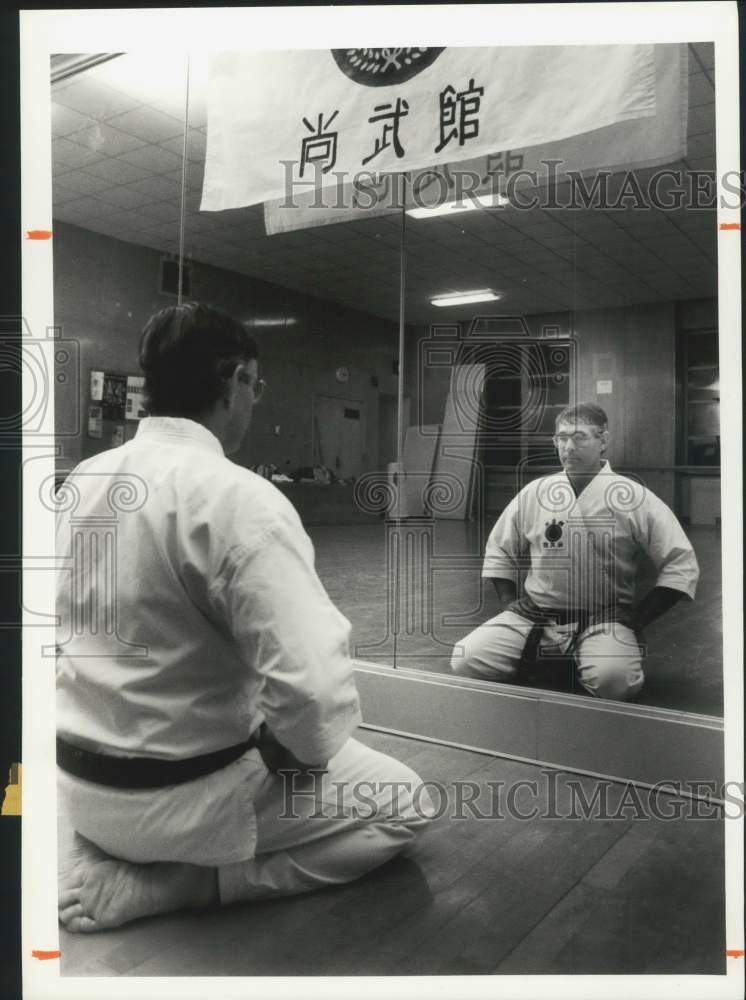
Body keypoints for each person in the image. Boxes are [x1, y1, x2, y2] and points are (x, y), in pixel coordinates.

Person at [56, 302, 432, 933]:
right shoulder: (240, 498)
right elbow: (312, 697)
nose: (253, 401)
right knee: (406, 802)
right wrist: (296, 749)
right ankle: (196, 884)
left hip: (80, 793)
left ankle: (123, 848)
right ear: (234, 382)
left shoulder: (79, 482)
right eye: (254, 387)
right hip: (181, 805)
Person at [451, 402, 699, 700]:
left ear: (603, 441)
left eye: (579, 437)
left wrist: (639, 619)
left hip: (604, 619)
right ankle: (566, 659)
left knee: (615, 684)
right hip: (537, 615)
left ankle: (588, 655)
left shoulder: (634, 497)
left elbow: (681, 564)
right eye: (561, 438)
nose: (568, 446)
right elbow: (499, 550)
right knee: (466, 659)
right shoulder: (535, 492)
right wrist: (508, 603)